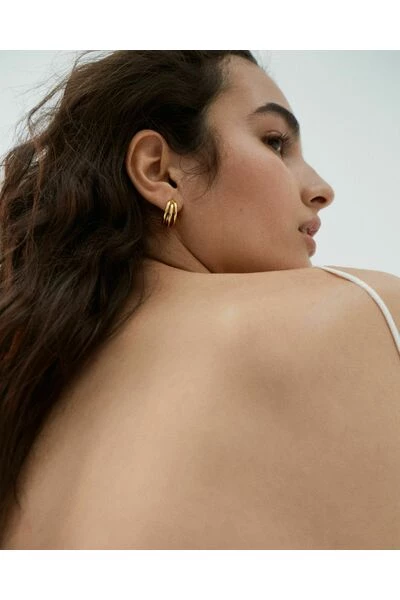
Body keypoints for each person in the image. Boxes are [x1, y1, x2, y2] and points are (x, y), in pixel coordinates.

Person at [0, 50, 399, 550]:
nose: (322, 189)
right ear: (160, 171)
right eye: (275, 142)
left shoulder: (27, 404)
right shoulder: (362, 312)